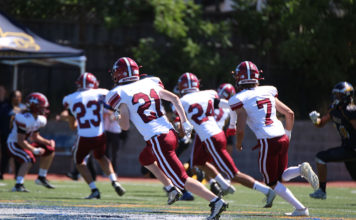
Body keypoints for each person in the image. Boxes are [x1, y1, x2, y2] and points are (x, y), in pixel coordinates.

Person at [106, 57, 227, 220]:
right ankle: (170, 189)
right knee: (145, 158)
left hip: (158, 140)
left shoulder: (117, 93)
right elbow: (175, 99)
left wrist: (116, 115)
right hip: (170, 134)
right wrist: (185, 122)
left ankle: (216, 201)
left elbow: (125, 126)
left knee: (182, 180)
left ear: (119, 74)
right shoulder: (150, 82)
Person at [228, 61, 319, 216]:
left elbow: (241, 127)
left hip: (267, 140)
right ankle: (299, 169)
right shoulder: (268, 91)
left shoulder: (238, 99)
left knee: (271, 182)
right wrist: (287, 135)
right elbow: (289, 113)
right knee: (281, 174)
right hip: (281, 135)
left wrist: (238, 143)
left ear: (239, 78)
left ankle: (301, 209)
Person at [177, 72, 276, 207]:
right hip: (212, 135)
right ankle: (223, 184)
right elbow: (227, 105)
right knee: (198, 162)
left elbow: (183, 129)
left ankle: (266, 191)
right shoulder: (208, 94)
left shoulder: (181, 101)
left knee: (234, 174)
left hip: (211, 138)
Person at [61, 72, 126, 199]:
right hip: (99, 134)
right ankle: (114, 181)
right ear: (94, 83)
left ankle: (94, 189)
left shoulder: (69, 98)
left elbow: (72, 126)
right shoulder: (101, 93)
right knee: (101, 157)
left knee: (79, 161)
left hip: (84, 136)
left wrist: (71, 119)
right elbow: (115, 105)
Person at [309, 81, 356, 199]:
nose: (336, 97)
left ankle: (322, 191)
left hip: (353, 149)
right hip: (347, 147)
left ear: (346, 96)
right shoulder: (334, 108)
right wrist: (315, 120)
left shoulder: (350, 111)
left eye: (339, 95)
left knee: (321, 157)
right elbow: (321, 123)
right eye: (335, 94)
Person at [7, 92, 55, 192]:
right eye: (41, 107)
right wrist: (34, 149)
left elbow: (35, 136)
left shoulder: (39, 119)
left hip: (24, 142)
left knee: (50, 149)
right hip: (14, 143)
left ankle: (41, 177)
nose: (44, 109)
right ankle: (18, 185)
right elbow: (20, 141)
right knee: (28, 158)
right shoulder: (23, 118)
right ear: (34, 106)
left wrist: (48, 142)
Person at [1, 90, 29, 179]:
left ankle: (17, 174)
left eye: (19, 97)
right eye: (15, 97)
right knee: (5, 155)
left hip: (19, 136)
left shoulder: (24, 108)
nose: (17, 99)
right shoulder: (5, 107)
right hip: (5, 135)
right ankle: (1, 173)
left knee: (18, 156)